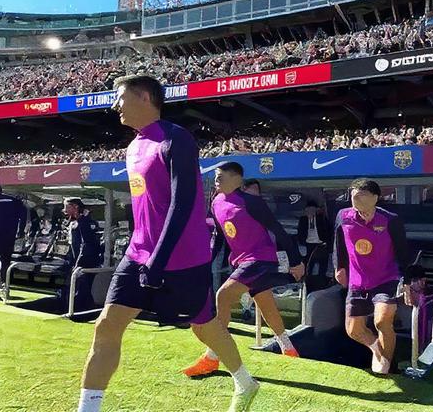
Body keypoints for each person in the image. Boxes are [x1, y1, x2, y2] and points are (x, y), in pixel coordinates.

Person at [78, 75, 259, 412]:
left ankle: (245, 382)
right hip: (138, 254)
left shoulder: (176, 138)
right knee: (107, 325)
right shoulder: (133, 146)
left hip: (182, 259)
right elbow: (145, 207)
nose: (114, 104)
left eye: (120, 97)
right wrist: (143, 253)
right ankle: (88, 407)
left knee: (204, 327)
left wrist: (158, 260)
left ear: (145, 97)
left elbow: (182, 202)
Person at [184, 162, 305, 377]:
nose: (216, 180)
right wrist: (208, 260)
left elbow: (277, 229)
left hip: (260, 259)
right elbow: (220, 237)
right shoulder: (216, 202)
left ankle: (212, 357)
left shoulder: (251, 202)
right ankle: (289, 350)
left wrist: (296, 261)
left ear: (237, 179)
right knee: (266, 306)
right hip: (242, 262)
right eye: (215, 176)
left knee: (223, 295)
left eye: (220, 176)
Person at [333, 178, 414, 374]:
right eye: (353, 196)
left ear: (375, 198)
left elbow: (404, 252)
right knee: (353, 330)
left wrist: (407, 281)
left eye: (361, 196)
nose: (356, 200)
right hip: (357, 281)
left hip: (387, 279)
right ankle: (376, 348)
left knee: (382, 320)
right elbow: (338, 244)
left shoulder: (390, 219)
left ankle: (384, 368)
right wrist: (339, 267)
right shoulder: (343, 216)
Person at [63, 197, 102, 312]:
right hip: (77, 260)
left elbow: (86, 244)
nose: (64, 210)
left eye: (66, 207)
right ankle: (79, 307)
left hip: (86, 262)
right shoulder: (76, 222)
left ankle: (81, 309)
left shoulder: (84, 222)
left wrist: (79, 262)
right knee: (78, 286)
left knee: (82, 286)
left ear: (75, 207)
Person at [297, 200, 332, 284]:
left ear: (316, 210)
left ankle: (322, 280)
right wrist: (302, 242)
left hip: (321, 243)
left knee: (323, 262)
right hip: (309, 244)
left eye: (312, 210)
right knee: (309, 263)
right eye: (308, 210)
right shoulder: (303, 220)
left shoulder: (321, 219)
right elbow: (300, 232)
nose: (310, 212)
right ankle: (307, 279)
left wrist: (327, 242)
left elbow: (329, 231)